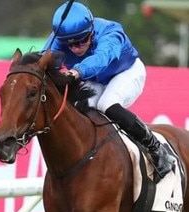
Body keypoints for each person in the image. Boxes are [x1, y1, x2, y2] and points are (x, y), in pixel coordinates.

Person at [44, 1, 176, 182]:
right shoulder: (59, 38)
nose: (75, 48)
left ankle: (156, 149)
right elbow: (42, 60)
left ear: (91, 32)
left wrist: (77, 71)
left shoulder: (111, 31)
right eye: (69, 45)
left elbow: (101, 58)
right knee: (81, 110)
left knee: (106, 104)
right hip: (95, 79)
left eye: (81, 41)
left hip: (126, 72)